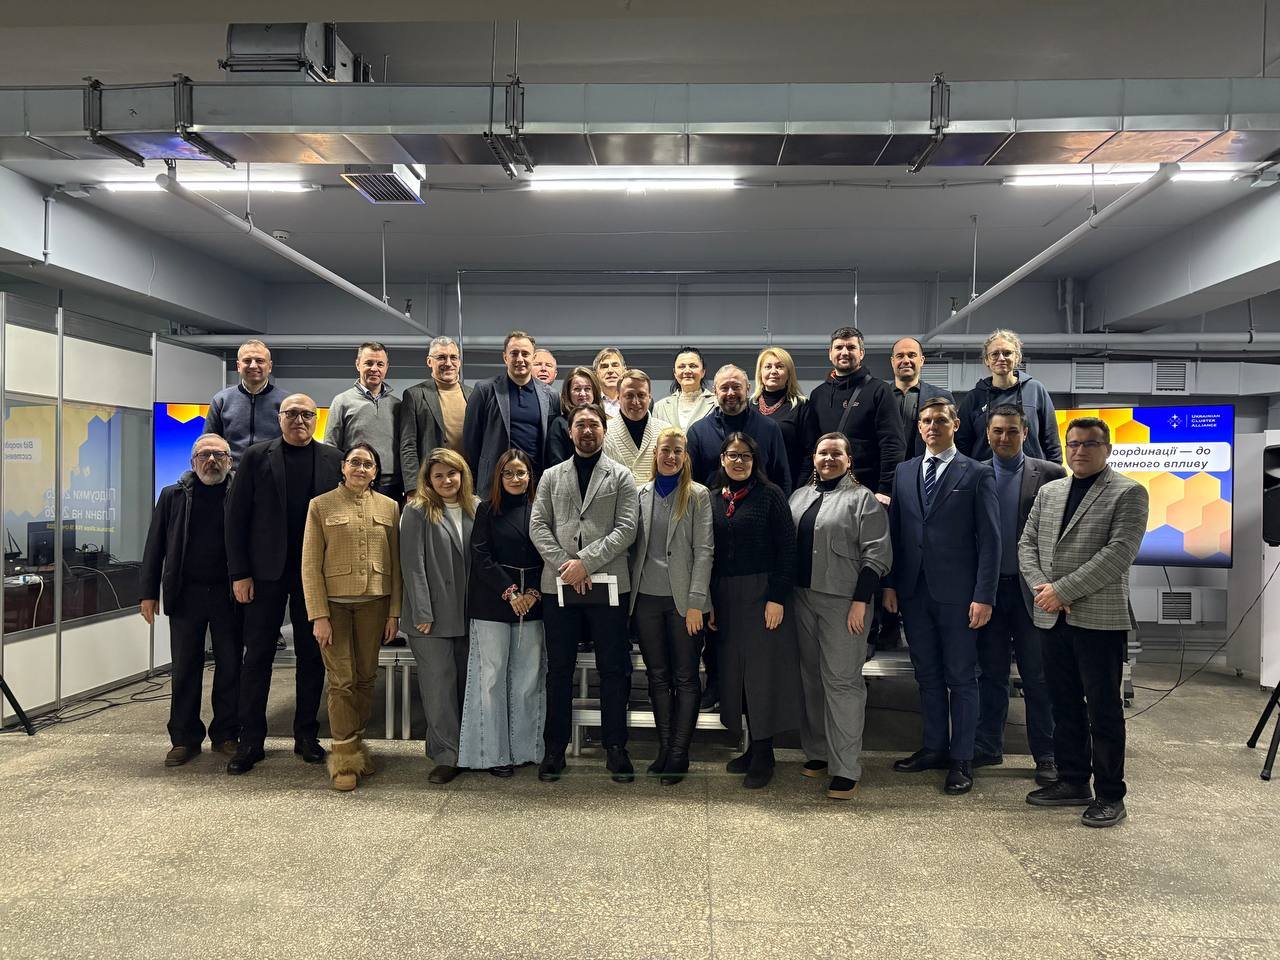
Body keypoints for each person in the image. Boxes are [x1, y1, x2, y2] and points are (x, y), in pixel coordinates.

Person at [1020, 417, 1149, 828]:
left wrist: (1063, 591)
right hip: (1050, 617)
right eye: (1073, 443)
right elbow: (1026, 544)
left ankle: (1111, 794)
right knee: (1063, 704)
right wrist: (1044, 589)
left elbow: (1118, 553)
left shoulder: (1128, 492)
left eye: (1089, 444)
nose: (1079, 451)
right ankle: (1073, 781)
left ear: (1107, 448)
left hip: (1097, 619)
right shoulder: (1051, 491)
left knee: (1104, 709)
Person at [883, 396, 1000, 796]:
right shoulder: (904, 472)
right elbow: (896, 533)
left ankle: (962, 758)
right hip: (914, 592)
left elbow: (991, 541)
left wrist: (984, 595)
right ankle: (934, 748)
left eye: (940, 420)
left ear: (955, 425)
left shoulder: (977, 473)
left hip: (960, 596)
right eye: (926, 421)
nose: (932, 426)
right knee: (927, 675)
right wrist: (891, 584)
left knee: (962, 678)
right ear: (918, 428)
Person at [224, 394, 344, 775]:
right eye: (291, 414)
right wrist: (239, 573)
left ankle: (306, 736)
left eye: (307, 414)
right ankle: (251, 741)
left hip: (314, 575)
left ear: (316, 420)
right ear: (279, 419)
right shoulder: (256, 457)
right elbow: (236, 518)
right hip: (264, 574)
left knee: (312, 656)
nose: (299, 420)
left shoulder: (333, 459)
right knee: (257, 657)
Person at [529, 402, 639, 784]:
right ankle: (554, 750)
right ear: (570, 431)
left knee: (614, 668)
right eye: (581, 425)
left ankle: (616, 748)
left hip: (609, 585)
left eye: (594, 424)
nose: (587, 431)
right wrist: (567, 565)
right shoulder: (550, 476)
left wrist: (585, 563)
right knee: (559, 669)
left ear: (604, 430)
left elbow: (627, 529)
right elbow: (538, 526)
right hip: (558, 586)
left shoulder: (621, 476)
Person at [789, 433, 892, 800]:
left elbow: (876, 555)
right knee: (811, 679)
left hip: (845, 603)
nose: (828, 459)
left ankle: (846, 768)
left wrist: (861, 601)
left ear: (849, 460)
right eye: (822, 453)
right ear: (813, 458)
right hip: (802, 598)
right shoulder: (799, 496)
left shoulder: (863, 500)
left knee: (842, 683)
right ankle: (818, 752)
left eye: (836, 453)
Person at [300, 441, 401, 791]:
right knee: (341, 680)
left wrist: (394, 613)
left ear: (376, 471)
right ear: (343, 467)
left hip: (375, 604)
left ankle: (356, 744)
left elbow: (396, 565)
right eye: (355, 462)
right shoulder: (320, 505)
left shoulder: (390, 507)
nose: (361, 468)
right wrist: (318, 615)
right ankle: (343, 758)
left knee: (366, 678)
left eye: (368, 464)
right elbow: (310, 564)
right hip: (335, 607)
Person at [973, 404, 1065, 786]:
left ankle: (1046, 754)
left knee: (1037, 678)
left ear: (1025, 433)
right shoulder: (973, 473)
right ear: (987, 434)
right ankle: (987, 746)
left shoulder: (1052, 475)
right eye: (997, 431)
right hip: (990, 592)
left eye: (1012, 431)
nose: (1004, 437)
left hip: (1035, 593)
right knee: (991, 675)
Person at [140, 433, 241, 767]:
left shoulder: (240, 494)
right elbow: (154, 546)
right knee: (185, 668)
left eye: (218, 455)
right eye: (204, 455)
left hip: (229, 595)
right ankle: (184, 739)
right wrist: (148, 593)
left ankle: (226, 734)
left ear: (230, 461)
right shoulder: (172, 496)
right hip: (187, 594)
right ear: (192, 462)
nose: (211, 461)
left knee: (230, 666)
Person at [709, 432, 801, 789]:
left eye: (746, 456)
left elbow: (788, 549)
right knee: (736, 676)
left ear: (755, 460)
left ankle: (765, 752)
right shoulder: (713, 498)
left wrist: (777, 597)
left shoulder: (770, 495)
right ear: (722, 459)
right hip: (726, 596)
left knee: (763, 676)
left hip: (763, 594)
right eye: (733, 455)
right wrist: (710, 602)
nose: (739, 461)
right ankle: (752, 746)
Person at [627, 426, 713, 785]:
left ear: (685, 456)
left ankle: (680, 752)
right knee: (657, 677)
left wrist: (696, 604)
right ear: (655, 453)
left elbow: (704, 552)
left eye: (678, 451)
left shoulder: (697, 495)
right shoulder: (639, 493)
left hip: (684, 604)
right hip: (646, 600)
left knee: (686, 677)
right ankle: (664, 748)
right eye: (666, 450)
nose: (671, 456)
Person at [459, 449, 546, 777]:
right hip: (492, 601)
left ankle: (525, 749)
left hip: (533, 602)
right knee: (491, 679)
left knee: (527, 678)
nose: (515, 478)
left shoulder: (540, 509)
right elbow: (480, 555)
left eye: (521, 472)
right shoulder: (486, 509)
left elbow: (550, 553)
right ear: (499, 476)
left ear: (530, 476)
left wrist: (532, 593)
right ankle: (492, 754)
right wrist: (510, 593)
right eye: (508, 473)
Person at [400, 447, 479, 785]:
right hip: (430, 616)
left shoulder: (476, 507)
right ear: (428, 480)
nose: (446, 480)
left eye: (452, 473)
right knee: (439, 688)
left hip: (468, 613)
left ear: (462, 474)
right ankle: (447, 757)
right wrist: (422, 610)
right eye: (439, 476)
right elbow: (412, 565)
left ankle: (466, 750)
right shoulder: (417, 510)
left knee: (464, 686)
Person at [799, 326, 904, 504]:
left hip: (868, 489)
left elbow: (892, 444)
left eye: (851, 347)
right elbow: (811, 447)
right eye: (839, 347)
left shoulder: (879, 390)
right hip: (826, 488)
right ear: (830, 353)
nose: (844, 352)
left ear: (861, 353)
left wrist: (885, 489)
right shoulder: (818, 394)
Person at [463, 330, 557, 488]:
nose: (520, 359)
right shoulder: (484, 390)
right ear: (505, 357)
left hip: (535, 484)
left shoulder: (551, 395)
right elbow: (471, 441)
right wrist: (474, 483)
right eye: (514, 353)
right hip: (494, 483)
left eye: (525, 354)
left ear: (533, 358)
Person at [956, 329, 1062, 463]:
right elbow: (962, 445)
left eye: (1007, 353)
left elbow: (1051, 440)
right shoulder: (974, 398)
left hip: (1032, 472)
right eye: (995, 354)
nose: (1001, 358)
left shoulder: (1036, 390)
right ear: (986, 360)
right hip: (985, 473)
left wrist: (1055, 471)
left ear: (1017, 357)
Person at [687, 364, 791, 496]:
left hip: (762, 506)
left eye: (736, 387)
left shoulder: (769, 428)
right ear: (715, 391)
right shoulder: (698, 432)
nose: (731, 393)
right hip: (712, 507)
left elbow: (782, 479)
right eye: (724, 388)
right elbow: (691, 483)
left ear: (748, 388)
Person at [326, 341, 402, 499]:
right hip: (354, 483)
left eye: (380, 364)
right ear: (358, 364)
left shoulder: (397, 405)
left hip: (391, 487)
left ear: (386, 367)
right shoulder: (342, 401)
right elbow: (331, 447)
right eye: (369, 363)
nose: (374, 369)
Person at [398, 335, 472, 496]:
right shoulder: (414, 395)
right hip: (430, 484)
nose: (448, 363)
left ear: (459, 362)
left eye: (453, 357)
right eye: (441, 357)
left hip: (466, 484)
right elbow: (408, 446)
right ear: (429, 361)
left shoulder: (473, 395)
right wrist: (412, 488)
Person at [204, 338, 288, 463]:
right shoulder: (221, 400)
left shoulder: (286, 402)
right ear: (239, 366)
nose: (253, 365)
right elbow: (208, 442)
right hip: (232, 472)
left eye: (260, 360)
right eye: (247, 361)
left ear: (270, 366)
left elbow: (295, 441)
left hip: (273, 471)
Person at [890, 336, 955, 462]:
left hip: (928, 468)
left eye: (912, 355)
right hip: (886, 470)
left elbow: (951, 441)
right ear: (893, 361)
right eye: (900, 356)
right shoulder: (878, 396)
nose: (906, 360)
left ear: (922, 360)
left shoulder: (942, 397)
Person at [753, 346, 808, 489]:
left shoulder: (801, 406)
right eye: (768, 367)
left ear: (789, 373)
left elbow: (809, 455)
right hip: (751, 488)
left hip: (788, 486)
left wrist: (799, 491)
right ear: (760, 373)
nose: (773, 371)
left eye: (779, 366)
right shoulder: (748, 406)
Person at [602, 369, 670, 483]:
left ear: (649, 398)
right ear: (618, 398)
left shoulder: (665, 431)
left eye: (641, 395)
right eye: (629, 395)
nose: (636, 401)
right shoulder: (604, 433)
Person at [546, 366, 602, 468]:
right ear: (568, 393)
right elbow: (556, 466)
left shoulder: (603, 420)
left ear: (594, 392)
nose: (582, 394)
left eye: (587, 389)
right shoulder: (559, 424)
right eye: (577, 389)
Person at [653, 346, 716, 431]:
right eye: (681, 367)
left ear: (703, 372)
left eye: (693, 366)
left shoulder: (717, 403)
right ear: (675, 373)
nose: (687, 371)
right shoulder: (660, 407)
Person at [593, 346, 627, 419]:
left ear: (624, 370)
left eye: (615, 365)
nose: (610, 370)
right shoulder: (590, 401)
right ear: (596, 374)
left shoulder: (634, 400)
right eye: (604, 366)